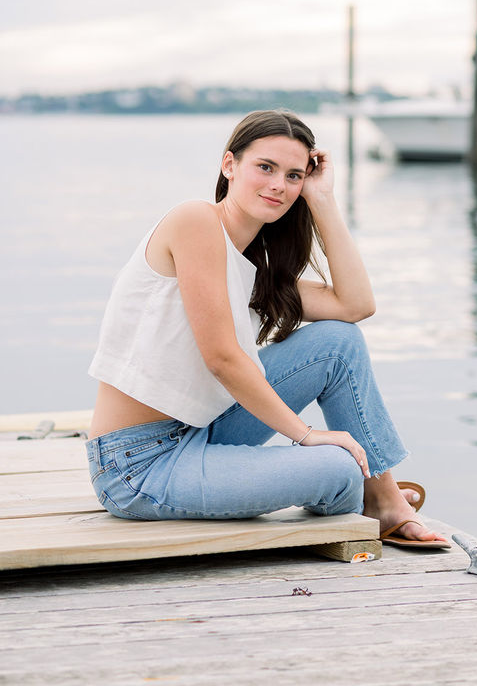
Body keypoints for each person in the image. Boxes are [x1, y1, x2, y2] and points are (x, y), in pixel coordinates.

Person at [86, 109, 449, 549]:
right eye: (265, 167)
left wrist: (322, 200)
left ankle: (381, 497)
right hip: (139, 465)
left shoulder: (253, 268)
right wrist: (307, 436)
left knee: (338, 342)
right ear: (229, 165)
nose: (279, 185)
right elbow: (222, 359)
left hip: (202, 430)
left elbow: (355, 306)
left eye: (294, 176)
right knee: (337, 467)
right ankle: (358, 492)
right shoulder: (194, 222)